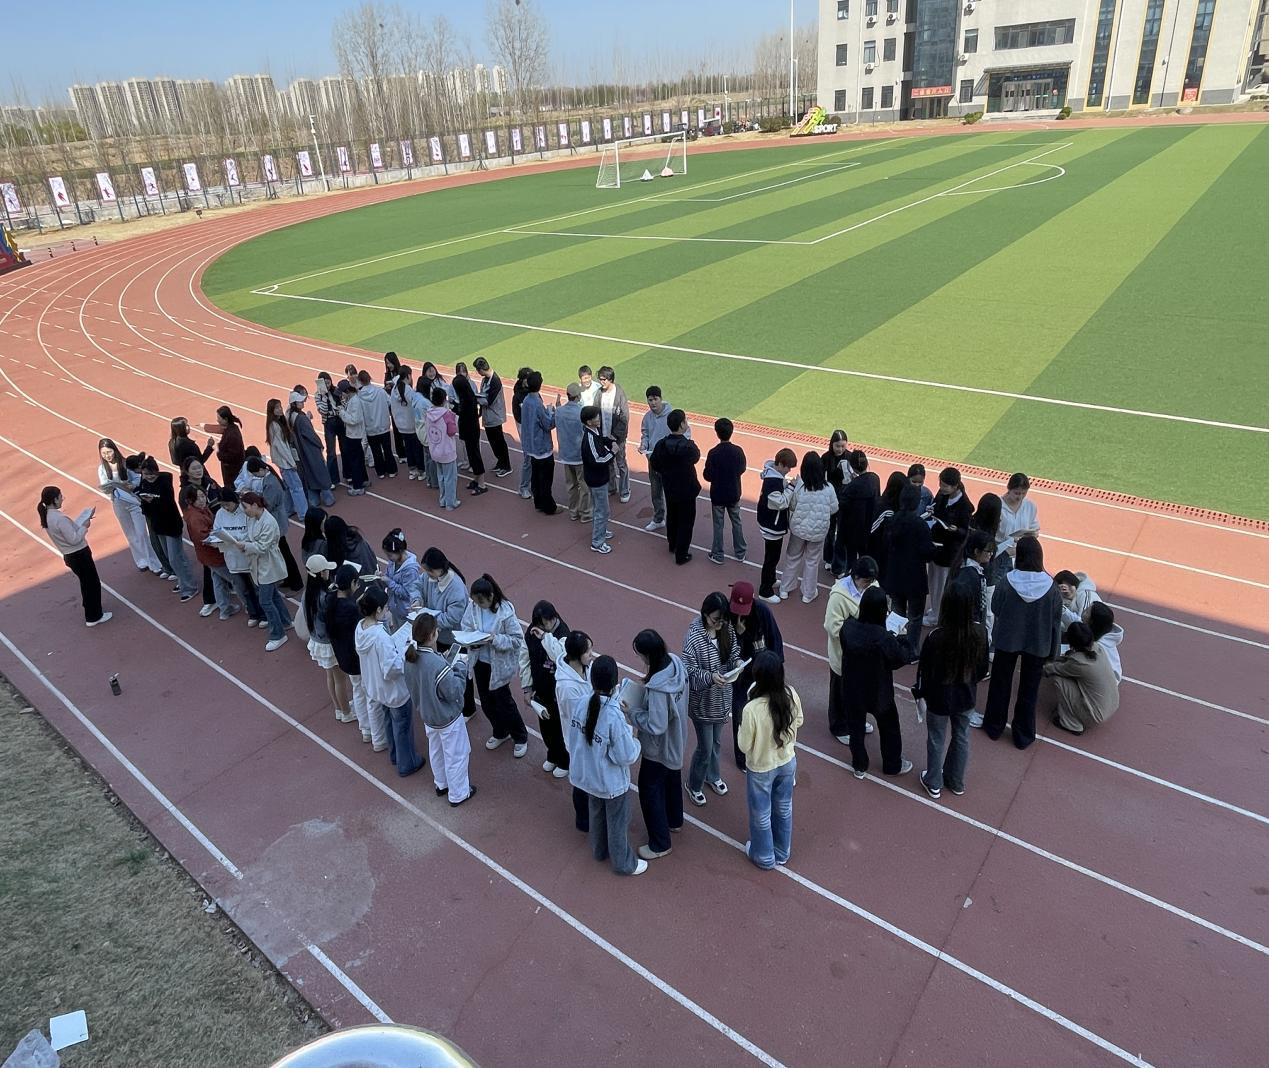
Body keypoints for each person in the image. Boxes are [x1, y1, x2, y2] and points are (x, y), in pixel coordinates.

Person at [565, 655, 647, 877]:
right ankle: (623, 864)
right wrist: (636, 739)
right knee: (618, 822)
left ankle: (599, 850)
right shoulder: (614, 716)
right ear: (614, 683)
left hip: (587, 776)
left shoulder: (582, 703)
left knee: (596, 815)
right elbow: (626, 755)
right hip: (610, 782)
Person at [983, 535, 1062, 750]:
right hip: (1037, 644)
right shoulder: (1051, 588)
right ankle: (1023, 735)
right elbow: (1056, 621)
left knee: (1000, 684)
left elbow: (995, 608)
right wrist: (1052, 651)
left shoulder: (1007, 582)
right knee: (1029, 690)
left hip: (1007, 640)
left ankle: (994, 726)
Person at [914, 584, 989, 799]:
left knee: (936, 738)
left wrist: (921, 694)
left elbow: (924, 671)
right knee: (962, 736)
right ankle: (956, 780)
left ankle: (934, 781)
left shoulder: (936, 636)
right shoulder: (980, 632)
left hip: (939, 697)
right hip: (966, 695)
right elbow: (982, 668)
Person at [624, 629, 688, 860]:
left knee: (649, 788)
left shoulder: (659, 688)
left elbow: (656, 724)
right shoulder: (675, 664)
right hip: (677, 738)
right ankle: (674, 820)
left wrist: (632, 713)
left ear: (648, 654)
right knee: (671, 779)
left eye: (640, 654)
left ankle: (660, 843)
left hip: (659, 748)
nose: (639, 658)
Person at [840, 586, 915, 778]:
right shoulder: (883, 638)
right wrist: (902, 637)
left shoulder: (848, 627)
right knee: (890, 728)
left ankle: (859, 765)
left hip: (852, 688)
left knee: (855, 728)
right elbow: (901, 658)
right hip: (878, 691)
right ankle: (892, 765)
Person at [738, 650, 803, 870]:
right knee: (784, 808)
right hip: (787, 760)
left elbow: (744, 746)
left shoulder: (752, 709)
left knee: (761, 813)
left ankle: (764, 857)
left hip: (761, 767)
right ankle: (782, 851)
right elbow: (799, 720)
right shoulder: (791, 694)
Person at [405, 612, 475, 806]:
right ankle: (458, 794)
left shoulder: (410, 657)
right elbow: (455, 691)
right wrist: (460, 666)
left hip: (428, 716)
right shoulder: (435, 664)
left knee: (436, 751)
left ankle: (441, 784)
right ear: (432, 635)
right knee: (456, 755)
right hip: (447, 718)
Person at [354, 585, 422, 773]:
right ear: (378, 610)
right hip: (393, 690)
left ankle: (394, 755)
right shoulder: (380, 637)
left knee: (389, 723)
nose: (387, 609)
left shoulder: (361, 628)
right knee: (402, 727)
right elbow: (392, 669)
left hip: (376, 687)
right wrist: (406, 653)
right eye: (385, 607)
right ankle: (407, 763)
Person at [460, 574, 529, 756]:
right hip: (479, 661)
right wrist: (472, 641)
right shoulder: (473, 607)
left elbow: (517, 639)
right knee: (486, 702)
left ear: (491, 597)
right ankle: (500, 732)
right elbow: (465, 625)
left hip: (498, 665)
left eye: (481, 602)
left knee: (504, 702)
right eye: (475, 602)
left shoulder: (505, 612)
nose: (477, 605)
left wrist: (495, 639)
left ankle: (520, 736)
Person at [683, 591, 741, 806]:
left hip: (722, 699)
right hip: (703, 703)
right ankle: (693, 784)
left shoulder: (727, 628)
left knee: (716, 743)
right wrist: (710, 677)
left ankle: (712, 775)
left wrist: (737, 663)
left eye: (723, 620)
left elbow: (734, 651)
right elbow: (688, 671)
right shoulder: (693, 637)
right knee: (705, 748)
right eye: (716, 619)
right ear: (705, 614)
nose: (719, 624)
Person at [224, 491, 292, 651]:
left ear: (255, 505)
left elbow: (262, 547)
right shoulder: (253, 518)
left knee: (265, 601)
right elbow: (251, 538)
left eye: (246, 507)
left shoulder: (269, 522)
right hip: (260, 565)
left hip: (268, 565)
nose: (245, 511)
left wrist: (244, 546)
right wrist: (242, 542)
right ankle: (285, 621)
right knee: (273, 596)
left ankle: (278, 635)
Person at [823, 556, 879, 746]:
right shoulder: (839, 596)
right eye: (866, 581)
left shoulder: (873, 586)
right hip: (843, 654)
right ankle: (838, 726)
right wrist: (856, 633)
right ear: (855, 577)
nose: (869, 584)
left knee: (859, 691)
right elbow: (832, 627)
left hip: (864, 655)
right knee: (840, 691)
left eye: (872, 580)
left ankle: (857, 720)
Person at [727, 580, 782, 770]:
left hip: (764, 670)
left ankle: (770, 750)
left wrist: (776, 668)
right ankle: (742, 758)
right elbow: (727, 649)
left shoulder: (762, 612)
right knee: (740, 713)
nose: (740, 614)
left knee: (770, 711)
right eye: (737, 609)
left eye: (744, 609)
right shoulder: (727, 615)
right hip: (742, 673)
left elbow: (775, 640)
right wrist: (739, 635)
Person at [38, 487, 110, 626]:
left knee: (86, 583)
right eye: (60, 497)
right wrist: (85, 526)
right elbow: (74, 539)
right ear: (55, 499)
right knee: (92, 584)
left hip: (70, 555)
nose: (62, 499)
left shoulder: (47, 516)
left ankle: (91, 609)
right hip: (79, 554)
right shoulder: (59, 518)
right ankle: (94, 616)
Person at [520, 600, 572, 778]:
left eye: (548, 622)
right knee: (546, 727)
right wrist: (527, 687)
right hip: (541, 690)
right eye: (541, 623)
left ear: (554, 617)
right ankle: (552, 754)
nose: (545, 626)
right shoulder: (531, 632)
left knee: (560, 728)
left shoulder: (564, 634)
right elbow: (525, 658)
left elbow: (559, 656)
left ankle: (565, 760)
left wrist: (545, 637)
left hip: (558, 693)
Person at [136, 457, 199, 601]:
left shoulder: (164, 482)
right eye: (146, 474)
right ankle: (182, 581)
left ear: (157, 471)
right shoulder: (144, 483)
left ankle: (190, 587)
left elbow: (167, 503)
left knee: (175, 557)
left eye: (152, 473)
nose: (149, 477)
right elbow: (145, 508)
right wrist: (144, 501)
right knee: (172, 557)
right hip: (158, 526)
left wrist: (153, 501)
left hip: (171, 525)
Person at [96, 438, 162, 575]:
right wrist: (108, 488)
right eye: (104, 453)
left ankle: (154, 562)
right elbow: (104, 486)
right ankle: (141, 561)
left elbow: (138, 478)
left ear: (115, 450)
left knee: (142, 533)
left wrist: (131, 485)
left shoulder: (126, 464)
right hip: (118, 502)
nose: (107, 456)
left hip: (133, 501)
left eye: (109, 452)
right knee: (130, 534)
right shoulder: (102, 469)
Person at [1042, 622, 1120, 736]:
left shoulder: (1079, 662)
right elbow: (1070, 660)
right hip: (1111, 706)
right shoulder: (1098, 648)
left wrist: (1040, 666)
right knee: (1073, 677)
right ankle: (1077, 711)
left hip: (1095, 714)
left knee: (1059, 679)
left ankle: (1071, 724)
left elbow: (1054, 669)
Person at [779, 451, 837, 603]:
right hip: (818, 533)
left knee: (792, 558)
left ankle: (785, 588)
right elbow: (834, 508)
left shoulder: (799, 486)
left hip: (798, 530)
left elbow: (792, 505)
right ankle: (808, 593)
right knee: (812, 561)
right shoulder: (829, 488)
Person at [883, 485, 935, 653]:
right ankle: (911, 650)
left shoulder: (892, 520)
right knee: (915, 617)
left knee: (897, 613)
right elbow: (927, 553)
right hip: (914, 578)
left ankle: (894, 646)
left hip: (895, 575)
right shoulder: (920, 525)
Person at [555, 629, 597, 833]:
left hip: (590, 735)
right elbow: (579, 719)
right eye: (588, 651)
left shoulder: (587, 668)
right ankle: (583, 820)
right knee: (581, 781)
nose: (592, 654)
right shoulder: (567, 688)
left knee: (590, 777)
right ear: (576, 655)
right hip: (578, 740)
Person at [303, 554, 354, 723]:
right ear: (321, 573)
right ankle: (346, 712)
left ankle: (339, 708)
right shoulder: (324, 597)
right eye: (326, 570)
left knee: (330, 676)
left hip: (317, 640)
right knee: (340, 679)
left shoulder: (308, 593)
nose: (329, 572)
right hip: (328, 643)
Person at [180, 485, 240, 621]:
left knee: (218, 581)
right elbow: (204, 536)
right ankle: (249, 606)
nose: (202, 500)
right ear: (191, 500)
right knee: (236, 580)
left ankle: (225, 608)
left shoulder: (199, 511)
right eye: (198, 498)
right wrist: (219, 535)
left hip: (208, 555)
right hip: (212, 554)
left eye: (203, 496)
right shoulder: (195, 517)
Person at [326, 564, 372, 742]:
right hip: (356, 659)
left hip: (343, 657)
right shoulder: (350, 610)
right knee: (366, 693)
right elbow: (361, 629)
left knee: (357, 690)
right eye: (356, 583)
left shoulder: (331, 600)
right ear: (352, 583)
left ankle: (364, 728)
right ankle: (370, 729)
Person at [648, 409, 701, 565]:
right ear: (682, 424)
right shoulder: (689, 446)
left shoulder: (661, 444)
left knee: (672, 515)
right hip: (687, 489)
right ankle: (681, 554)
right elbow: (696, 458)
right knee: (686, 521)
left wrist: (666, 472)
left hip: (670, 486)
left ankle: (672, 545)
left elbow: (654, 463)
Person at [244, 457, 303, 591]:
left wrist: (255, 500)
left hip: (277, 522)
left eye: (255, 474)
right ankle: (289, 579)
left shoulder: (270, 483)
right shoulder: (269, 479)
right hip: (277, 520)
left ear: (260, 470)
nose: (255, 476)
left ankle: (296, 583)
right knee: (282, 553)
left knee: (285, 553)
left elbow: (268, 504)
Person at [924, 467, 973, 627]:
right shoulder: (942, 495)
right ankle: (935, 610)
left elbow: (965, 531)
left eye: (945, 485)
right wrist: (932, 510)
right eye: (941, 484)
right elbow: (938, 509)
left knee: (941, 585)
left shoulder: (964, 506)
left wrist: (956, 530)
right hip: (936, 547)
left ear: (955, 486)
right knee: (933, 582)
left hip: (949, 552)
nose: (941, 488)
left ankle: (937, 616)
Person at [211, 490, 266, 628]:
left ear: (234, 501)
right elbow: (216, 531)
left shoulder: (245, 511)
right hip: (232, 560)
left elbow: (253, 531)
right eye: (222, 505)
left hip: (249, 558)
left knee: (257, 588)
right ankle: (253, 614)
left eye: (227, 504)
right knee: (244, 590)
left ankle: (264, 614)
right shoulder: (220, 514)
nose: (225, 508)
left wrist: (238, 539)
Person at [640, 387, 688, 531]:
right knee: (655, 492)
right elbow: (645, 434)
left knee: (671, 493)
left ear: (661, 399)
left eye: (655, 399)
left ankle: (675, 521)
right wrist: (643, 445)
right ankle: (658, 518)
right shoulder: (647, 417)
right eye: (650, 400)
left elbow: (685, 434)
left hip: (668, 463)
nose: (653, 403)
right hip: (653, 461)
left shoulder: (672, 416)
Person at [703, 417, 747, 566]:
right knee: (737, 522)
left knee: (718, 525)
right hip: (734, 492)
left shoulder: (713, 453)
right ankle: (740, 551)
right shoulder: (738, 451)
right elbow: (742, 469)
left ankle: (718, 554)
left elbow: (707, 475)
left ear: (717, 433)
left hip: (718, 495)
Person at [756, 448, 797, 604]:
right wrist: (791, 487)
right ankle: (765, 590)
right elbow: (780, 502)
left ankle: (771, 580)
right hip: (771, 526)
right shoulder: (773, 482)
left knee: (773, 557)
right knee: (771, 559)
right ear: (780, 464)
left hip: (771, 524)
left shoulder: (773, 477)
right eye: (788, 467)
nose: (789, 471)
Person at [833, 450, 879, 577]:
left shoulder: (851, 487)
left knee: (851, 558)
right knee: (865, 556)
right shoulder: (875, 479)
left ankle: (851, 577)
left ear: (852, 467)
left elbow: (842, 505)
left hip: (852, 530)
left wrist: (845, 485)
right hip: (869, 526)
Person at [519, 371, 559, 515]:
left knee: (535, 477)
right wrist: (554, 413)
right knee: (545, 479)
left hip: (531, 446)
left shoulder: (527, 400)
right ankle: (549, 507)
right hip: (542, 447)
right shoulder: (537, 403)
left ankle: (539, 503)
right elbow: (548, 425)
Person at [288, 391, 335, 507]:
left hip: (301, 451)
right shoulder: (301, 418)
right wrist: (320, 444)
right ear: (294, 403)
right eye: (300, 401)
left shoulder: (290, 416)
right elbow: (310, 435)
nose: (303, 403)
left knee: (309, 475)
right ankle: (328, 499)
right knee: (320, 472)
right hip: (310, 450)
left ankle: (314, 500)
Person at [581, 404, 615, 554]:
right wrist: (613, 453)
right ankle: (597, 542)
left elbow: (602, 440)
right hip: (596, 480)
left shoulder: (595, 431)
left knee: (600, 509)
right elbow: (597, 460)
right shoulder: (589, 439)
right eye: (596, 417)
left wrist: (610, 442)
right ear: (589, 422)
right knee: (602, 510)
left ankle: (601, 530)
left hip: (600, 477)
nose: (599, 418)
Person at [266, 398, 306, 518]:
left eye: (280, 406)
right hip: (285, 462)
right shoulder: (275, 426)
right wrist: (291, 462)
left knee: (288, 486)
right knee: (297, 487)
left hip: (283, 461)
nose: (280, 409)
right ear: (272, 411)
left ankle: (288, 509)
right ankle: (303, 513)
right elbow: (281, 446)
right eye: (276, 408)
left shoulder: (277, 423)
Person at [451, 363, 488, 495]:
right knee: (472, 455)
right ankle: (477, 479)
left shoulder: (467, 400)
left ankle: (482, 483)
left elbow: (463, 412)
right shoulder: (467, 397)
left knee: (475, 455)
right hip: (469, 429)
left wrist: (454, 408)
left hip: (470, 430)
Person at [473, 357, 513, 477]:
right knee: (493, 442)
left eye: (477, 370)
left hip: (495, 417)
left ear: (481, 369)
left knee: (499, 441)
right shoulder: (485, 380)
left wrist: (474, 398)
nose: (477, 372)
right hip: (488, 416)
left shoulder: (495, 381)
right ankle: (500, 462)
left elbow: (488, 401)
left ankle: (506, 466)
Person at [556, 383, 590, 523]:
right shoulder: (581, 412)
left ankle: (573, 512)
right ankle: (585, 513)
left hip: (566, 455)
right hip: (579, 455)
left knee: (571, 485)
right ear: (578, 396)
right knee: (584, 485)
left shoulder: (559, 411)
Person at [596, 366, 630, 502]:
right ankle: (611, 487)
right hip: (603, 436)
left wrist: (615, 436)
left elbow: (624, 417)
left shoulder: (619, 394)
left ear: (610, 379)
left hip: (617, 438)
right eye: (600, 379)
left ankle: (625, 490)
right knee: (608, 463)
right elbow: (595, 411)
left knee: (621, 464)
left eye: (604, 379)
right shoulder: (599, 393)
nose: (601, 382)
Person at [423, 386, 461, 510]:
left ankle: (443, 499)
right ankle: (451, 502)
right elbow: (452, 431)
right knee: (450, 478)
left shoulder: (428, 413)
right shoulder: (447, 415)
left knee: (441, 477)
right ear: (444, 400)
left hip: (435, 450)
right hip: (447, 451)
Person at [995, 473, 1040, 574]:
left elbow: (1034, 528)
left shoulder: (1030, 506)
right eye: (1017, 493)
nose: (1020, 497)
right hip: (1000, 555)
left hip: (1021, 556)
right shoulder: (998, 506)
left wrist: (1032, 534)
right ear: (1009, 488)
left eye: (1024, 493)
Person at [867, 471, 909, 579]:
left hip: (888, 554)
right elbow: (873, 531)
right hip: (879, 554)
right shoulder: (885, 509)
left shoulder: (894, 506)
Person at [357, 370, 397, 479]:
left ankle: (380, 472)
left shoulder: (359, 396)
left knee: (376, 451)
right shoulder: (380, 391)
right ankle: (392, 470)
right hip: (383, 426)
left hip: (370, 428)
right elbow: (390, 402)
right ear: (370, 378)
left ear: (360, 381)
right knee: (387, 450)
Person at [388, 370, 425, 480]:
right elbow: (416, 405)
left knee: (408, 448)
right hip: (411, 424)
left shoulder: (394, 390)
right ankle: (421, 470)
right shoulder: (408, 391)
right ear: (408, 376)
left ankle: (412, 470)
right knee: (417, 448)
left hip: (401, 426)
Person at [822, 430, 851, 570]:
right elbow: (821, 478)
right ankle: (828, 558)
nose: (840, 449)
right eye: (837, 446)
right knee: (829, 530)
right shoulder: (826, 458)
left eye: (843, 446)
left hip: (845, 500)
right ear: (832, 444)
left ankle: (841, 562)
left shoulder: (850, 457)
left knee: (843, 532)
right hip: (830, 499)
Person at [335, 381, 369, 495]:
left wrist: (341, 412)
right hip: (355, 434)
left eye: (342, 393)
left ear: (347, 391)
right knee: (359, 458)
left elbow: (354, 420)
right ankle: (363, 480)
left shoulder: (355, 402)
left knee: (354, 461)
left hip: (353, 435)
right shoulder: (353, 400)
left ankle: (357, 486)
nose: (341, 395)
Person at [381, 529, 420, 629]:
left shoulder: (411, 570)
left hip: (406, 613)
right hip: (395, 609)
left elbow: (407, 593)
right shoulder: (393, 561)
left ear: (400, 551)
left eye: (390, 555)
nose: (388, 558)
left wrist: (389, 582)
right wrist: (382, 577)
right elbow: (389, 575)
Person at [313, 373, 342, 488]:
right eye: (324, 384)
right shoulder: (318, 395)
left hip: (340, 420)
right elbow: (323, 411)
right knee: (331, 452)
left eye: (328, 382)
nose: (327, 385)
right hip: (329, 423)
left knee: (345, 448)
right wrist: (324, 396)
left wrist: (338, 410)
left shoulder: (336, 391)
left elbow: (342, 403)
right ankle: (332, 479)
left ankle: (348, 474)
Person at [1087, 601, 1124, 683]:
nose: (1083, 612)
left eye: (1086, 611)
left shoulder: (1099, 647)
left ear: (1092, 621)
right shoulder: (1101, 634)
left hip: (1105, 683)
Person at [511, 366, 534, 496]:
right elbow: (518, 417)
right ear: (522, 380)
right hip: (525, 430)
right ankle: (523, 487)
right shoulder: (518, 396)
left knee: (535, 459)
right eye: (527, 379)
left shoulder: (533, 391)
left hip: (534, 430)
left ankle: (533, 485)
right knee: (528, 458)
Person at [214, 407, 246, 490]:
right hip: (232, 469)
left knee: (233, 489)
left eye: (219, 418)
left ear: (225, 419)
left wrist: (219, 453)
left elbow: (232, 455)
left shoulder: (232, 435)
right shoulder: (232, 428)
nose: (217, 420)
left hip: (232, 471)